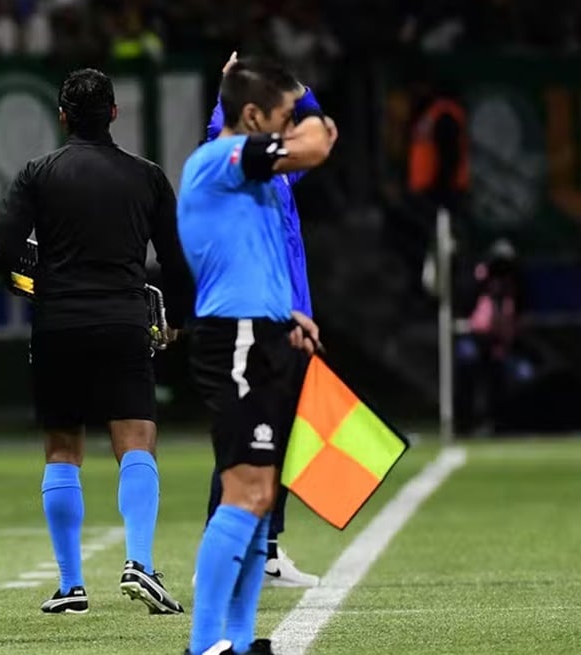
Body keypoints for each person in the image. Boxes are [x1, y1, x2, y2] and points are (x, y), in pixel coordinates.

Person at [0, 68, 190, 616]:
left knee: (62, 449)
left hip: (57, 324)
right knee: (137, 441)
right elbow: (174, 260)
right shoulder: (147, 177)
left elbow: (1, 252)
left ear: (62, 116)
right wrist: (178, 318)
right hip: (123, 321)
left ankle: (72, 584)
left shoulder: (38, 173)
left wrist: (32, 283)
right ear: (115, 114)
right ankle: (140, 564)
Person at [177, 57, 335, 655]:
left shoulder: (254, 179)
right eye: (283, 117)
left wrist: (285, 312)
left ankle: (239, 641)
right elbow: (319, 143)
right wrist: (307, 101)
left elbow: (245, 252)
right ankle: (203, 644)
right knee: (244, 489)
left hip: (263, 330)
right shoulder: (223, 159)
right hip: (235, 338)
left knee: (263, 494)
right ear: (251, 117)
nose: (293, 126)